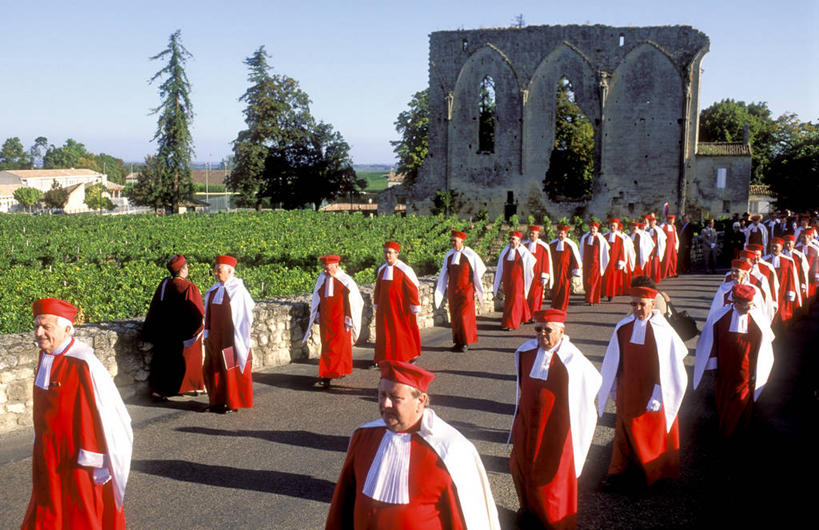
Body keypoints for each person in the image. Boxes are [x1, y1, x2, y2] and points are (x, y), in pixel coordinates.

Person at [325, 360, 501, 529]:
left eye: (395, 397)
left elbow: (467, 520)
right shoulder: (363, 437)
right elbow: (342, 506)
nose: (385, 404)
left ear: (421, 401)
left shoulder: (450, 450)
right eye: (382, 395)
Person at [23, 298, 133, 529]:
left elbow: (108, 415)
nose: (39, 332)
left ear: (66, 328)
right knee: (47, 503)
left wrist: (98, 459)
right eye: (37, 326)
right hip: (48, 452)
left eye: (46, 327)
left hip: (78, 458)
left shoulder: (83, 363)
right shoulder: (46, 357)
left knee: (79, 513)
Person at [509, 309, 602, 529]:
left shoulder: (573, 359)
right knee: (522, 467)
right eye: (538, 329)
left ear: (561, 331)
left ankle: (553, 521)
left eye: (548, 330)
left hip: (556, 427)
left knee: (552, 477)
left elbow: (594, 382)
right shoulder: (526, 352)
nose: (542, 334)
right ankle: (529, 510)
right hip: (527, 424)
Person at [598, 286, 688, 487]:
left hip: (653, 390)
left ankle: (652, 472)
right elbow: (615, 359)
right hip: (628, 388)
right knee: (623, 432)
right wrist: (614, 387)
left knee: (650, 434)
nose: (637, 308)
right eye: (633, 304)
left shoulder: (663, 331)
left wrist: (659, 392)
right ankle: (618, 473)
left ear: (652, 305)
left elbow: (670, 364)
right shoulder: (623, 327)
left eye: (642, 304)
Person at [694, 284, 775, 442]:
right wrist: (713, 364)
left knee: (742, 403)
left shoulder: (757, 319)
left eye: (751, 305)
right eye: (746, 305)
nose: (749, 309)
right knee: (723, 400)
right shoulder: (720, 317)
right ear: (735, 302)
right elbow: (711, 342)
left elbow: (765, 344)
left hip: (746, 373)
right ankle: (725, 429)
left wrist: (758, 370)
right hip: (724, 370)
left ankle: (738, 433)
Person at [142, 254, 206, 399]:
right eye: (187, 266)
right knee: (182, 360)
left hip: (163, 332)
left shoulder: (164, 284)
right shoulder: (188, 287)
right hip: (181, 333)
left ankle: (160, 391)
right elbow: (197, 313)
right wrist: (197, 330)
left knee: (163, 362)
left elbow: (154, 307)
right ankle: (184, 387)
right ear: (183, 270)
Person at [203, 255, 255, 413]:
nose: (216, 274)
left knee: (230, 369)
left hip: (231, 337)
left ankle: (233, 402)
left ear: (229, 271)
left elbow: (244, 317)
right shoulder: (213, 290)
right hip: (215, 338)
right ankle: (216, 401)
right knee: (212, 368)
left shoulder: (238, 291)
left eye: (219, 271)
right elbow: (209, 313)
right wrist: (207, 333)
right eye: (215, 271)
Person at [303, 254, 364, 389]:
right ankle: (329, 373)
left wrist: (348, 318)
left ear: (336, 265)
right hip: (326, 320)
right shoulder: (322, 279)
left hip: (341, 320)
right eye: (324, 267)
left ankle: (330, 374)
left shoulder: (345, 281)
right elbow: (317, 299)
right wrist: (317, 314)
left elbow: (352, 301)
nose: (325, 270)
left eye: (328, 267)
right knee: (327, 347)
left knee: (340, 348)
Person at [434, 230, 487, 352]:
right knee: (455, 317)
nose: (452, 243)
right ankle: (457, 342)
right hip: (453, 290)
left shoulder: (470, 254)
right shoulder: (449, 255)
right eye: (451, 240)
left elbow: (480, 270)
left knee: (465, 316)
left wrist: (475, 286)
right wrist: (440, 291)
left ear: (462, 241)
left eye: (455, 240)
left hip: (466, 290)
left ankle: (466, 342)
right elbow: (443, 273)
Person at [374, 241, 422, 364]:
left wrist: (415, 305)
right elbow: (378, 288)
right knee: (384, 333)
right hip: (385, 308)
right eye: (385, 252)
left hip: (400, 307)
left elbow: (412, 288)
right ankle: (384, 358)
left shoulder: (404, 269)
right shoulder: (382, 269)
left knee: (402, 332)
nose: (387, 255)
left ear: (397, 254)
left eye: (390, 253)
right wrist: (376, 303)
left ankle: (408, 355)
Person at [494, 231, 536, 330]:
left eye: (513, 239)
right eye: (510, 239)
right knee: (512, 299)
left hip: (518, 280)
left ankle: (511, 323)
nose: (511, 241)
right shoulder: (505, 250)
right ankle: (526, 316)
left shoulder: (523, 251)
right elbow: (500, 265)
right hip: (507, 280)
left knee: (515, 299)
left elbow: (532, 261)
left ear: (519, 241)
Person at [763, 238, 801, 324]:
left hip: (783, 290)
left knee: (782, 313)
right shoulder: (765, 260)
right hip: (770, 290)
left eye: (776, 247)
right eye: (772, 247)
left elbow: (792, 277)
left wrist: (790, 291)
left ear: (781, 248)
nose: (774, 249)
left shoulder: (788, 261)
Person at [549, 225, 582, 311]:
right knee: (555, 288)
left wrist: (576, 269)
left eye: (562, 233)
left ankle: (563, 307)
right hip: (554, 271)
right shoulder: (552, 244)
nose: (560, 235)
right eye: (559, 233)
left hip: (565, 271)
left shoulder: (570, 245)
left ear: (566, 234)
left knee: (565, 288)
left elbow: (575, 258)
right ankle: (555, 305)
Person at [524, 225, 553, 315]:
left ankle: (534, 314)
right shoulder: (524, 245)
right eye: (531, 233)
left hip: (538, 276)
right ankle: (526, 314)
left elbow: (546, 261)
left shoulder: (543, 247)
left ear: (538, 234)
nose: (532, 235)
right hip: (527, 275)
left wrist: (545, 276)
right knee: (526, 295)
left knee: (536, 296)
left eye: (534, 233)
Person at [602, 218, 634, 300]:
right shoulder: (604, 236)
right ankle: (603, 292)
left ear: (617, 227)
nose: (612, 227)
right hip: (605, 260)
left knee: (612, 278)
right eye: (611, 226)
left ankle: (611, 294)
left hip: (614, 261)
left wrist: (621, 261)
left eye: (614, 226)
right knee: (604, 277)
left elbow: (622, 250)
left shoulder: (620, 238)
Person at [579, 222, 610, 305]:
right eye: (591, 228)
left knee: (592, 282)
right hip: (586, 263)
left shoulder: (600, 238)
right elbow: (581, 249)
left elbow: (606, 249)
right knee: (586, 281)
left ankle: (591, 299)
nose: (592, 230)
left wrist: (602, 262)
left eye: (594, 228)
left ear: (597, 229)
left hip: (596, 263)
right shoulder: (585, 237)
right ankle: (588, 297)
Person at [628, 221, 654, 287]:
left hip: (639, 256)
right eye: (632, 227)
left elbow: (649, 245)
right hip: (630, 256)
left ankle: (640, 285)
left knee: (639, 270)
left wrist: (645, 254)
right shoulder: (627, 236)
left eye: (635, 227)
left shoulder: (642, 236)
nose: (634, 228)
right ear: (630, 228)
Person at [644, 214, 667, 283]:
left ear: (655, 223)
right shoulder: (646, 230)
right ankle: (648, 278)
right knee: (648, 265)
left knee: (655, 265)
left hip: (656, 249)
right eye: (650, 222)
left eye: (653, 222)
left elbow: (663, 239)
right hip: (648, 249)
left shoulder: (659, 230)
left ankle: (655, 278)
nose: (651, 224)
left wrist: (659, 249)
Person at [660, 214, 679, 278]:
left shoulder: (673, 227)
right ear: (669, 220)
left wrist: (676, 245)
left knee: (674, 259)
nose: (673, 221)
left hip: (672, 245)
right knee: (666, 259)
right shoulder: (663, 226)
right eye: (672, 219)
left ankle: (673, 272)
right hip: (667, 245)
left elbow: (675, 236)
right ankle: (664, 273)